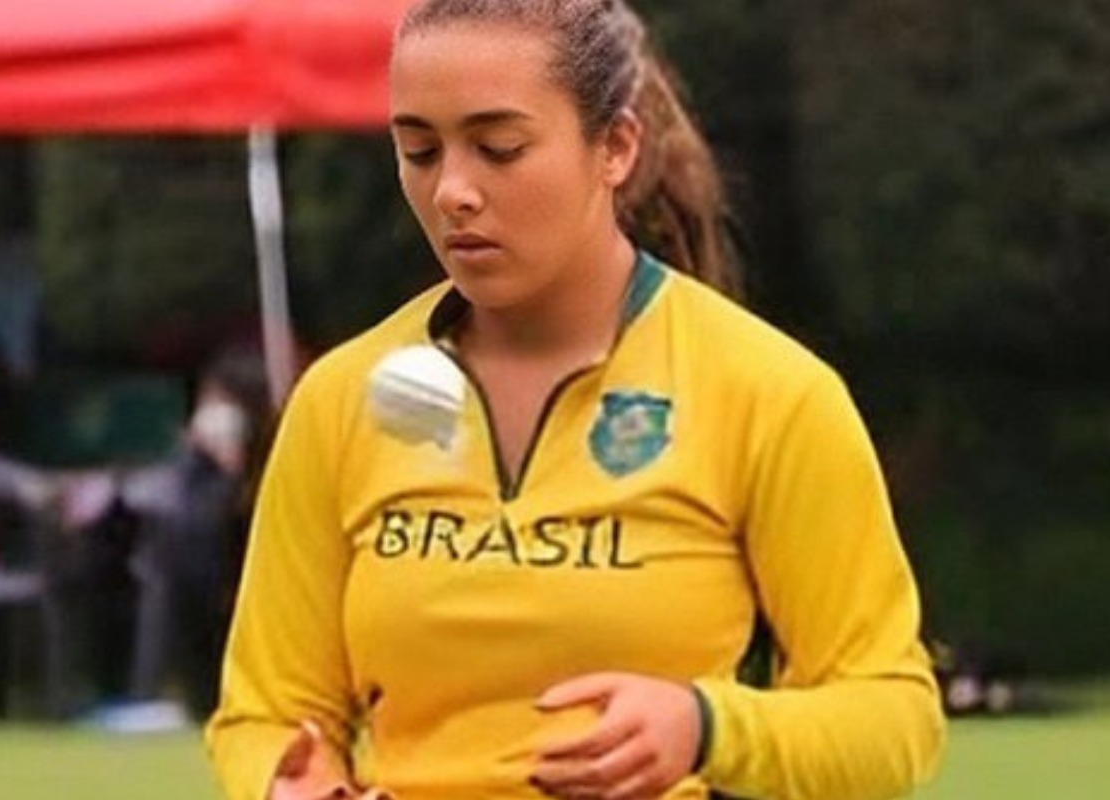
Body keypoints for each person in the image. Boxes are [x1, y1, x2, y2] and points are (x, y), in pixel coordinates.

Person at [207, 2, 946, 800]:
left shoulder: (770, 393)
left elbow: (891, 718)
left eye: (500, 148)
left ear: (616, 147)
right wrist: (291, 785)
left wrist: (706, 726)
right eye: (418, 150)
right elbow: (265, 715)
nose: (452, 190)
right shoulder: (339, 399)